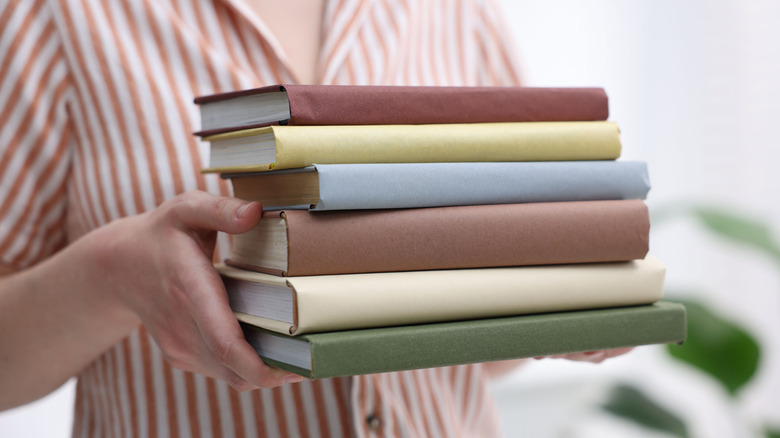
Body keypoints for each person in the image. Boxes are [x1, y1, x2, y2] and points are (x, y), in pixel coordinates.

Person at [0, 0, 630, 436]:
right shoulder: (57, 14)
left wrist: (552, 300)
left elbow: (483, 358)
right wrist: (110, 278)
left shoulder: (453, 10)